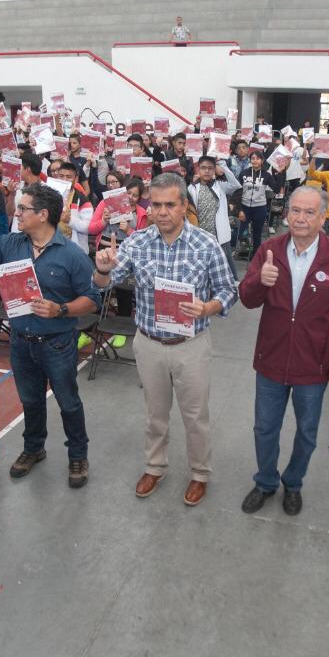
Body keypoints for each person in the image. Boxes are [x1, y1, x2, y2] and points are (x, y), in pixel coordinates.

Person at [93, 172, 238, 506]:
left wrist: (208, 308)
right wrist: (101, 268)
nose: (162, 212)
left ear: (184, 205)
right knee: (154, 414)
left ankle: (200, 473)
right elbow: (106, 281)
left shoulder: (205, 244)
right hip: (149, 345)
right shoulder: (137, 242)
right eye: (156, 205)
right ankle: (155, 466)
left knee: (195, 416)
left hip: (191, 347)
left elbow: (229, 289)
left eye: (170, 205)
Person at [0, 184, 101, 487]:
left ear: (43, 215)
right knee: (30, 401)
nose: (17, 212)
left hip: (58, 344)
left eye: (23, 208)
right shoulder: (11, 244)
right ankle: (33, 448)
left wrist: (60, 309)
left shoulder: (72, 255)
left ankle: (78, 454)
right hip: (21, 342)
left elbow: (92, 299)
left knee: (68, 402)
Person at [237, 186, 329, 515]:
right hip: (272, 358)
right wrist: (259, 280)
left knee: (306, 431)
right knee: (265, 427)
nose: (300, 218)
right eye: (295, 211)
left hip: (314, 363)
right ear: (287, 212)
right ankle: (265, 481)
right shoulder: (269, 249)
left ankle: (293, 483)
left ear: (323, 217)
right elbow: (247, 300)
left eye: (309, 212)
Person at [187, 154, 241, 274]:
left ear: (214, 170)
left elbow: (235, 185)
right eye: (203, 168)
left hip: (219, 236)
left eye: (210, 168)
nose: (206, 171)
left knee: (224, 270)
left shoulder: (220, 186)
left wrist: (221, 164)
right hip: (200, 236)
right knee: (203, 270)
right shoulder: (192, 188)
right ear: (198, 169)